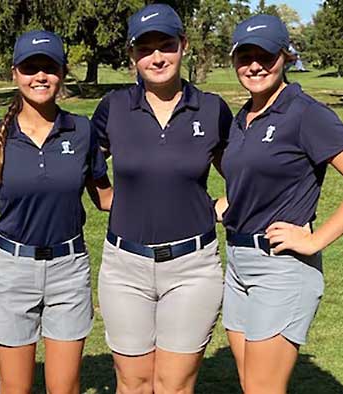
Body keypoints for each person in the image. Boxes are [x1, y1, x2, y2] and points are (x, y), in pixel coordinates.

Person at [221, 14, 343, 393]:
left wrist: (316, 240)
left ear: (286, 56)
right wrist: (229, 206)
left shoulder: (305, 113)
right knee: (252, 386)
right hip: (237, 265)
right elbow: (257, 179)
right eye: (244, 56)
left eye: (265, 55)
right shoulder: (243, 116)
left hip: (281, 269)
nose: (254, 65)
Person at [90, 4, 233, 393]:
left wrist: (223, 205)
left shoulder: (212, 108)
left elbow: (245, 168)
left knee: (173, 384)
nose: (157, 57)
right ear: (132, 55)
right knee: (133, 382)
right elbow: (85, 163)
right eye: (145, 48)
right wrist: (104, 197)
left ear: (183, 46)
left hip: (193, 268)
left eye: (166, 45)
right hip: (125, 268)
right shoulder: (114, 108)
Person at [0, 30, 112, 394]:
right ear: (15, 74)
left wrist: (177, 198)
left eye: (49, 67)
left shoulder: (81, 130)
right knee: (15, 387)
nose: (40, 76)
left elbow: (105, 197)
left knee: (65, 386)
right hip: (12, 269)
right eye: (30, 68)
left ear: (63, 72)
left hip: (68, 270)